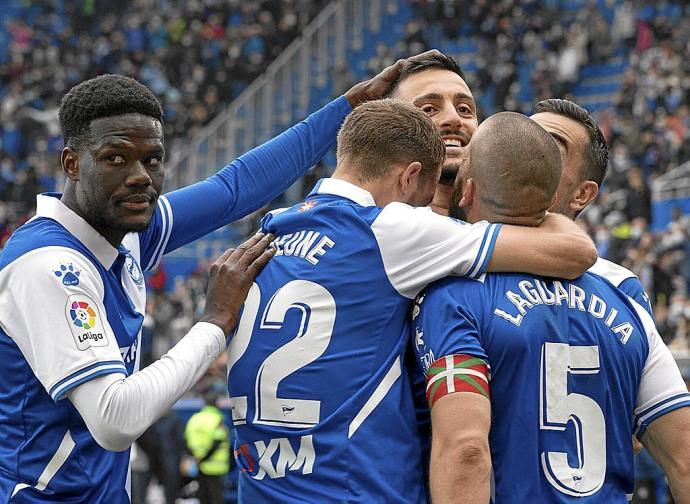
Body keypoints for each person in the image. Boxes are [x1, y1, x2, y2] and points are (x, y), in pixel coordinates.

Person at [0, 58, 415, 502]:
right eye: (115, 158)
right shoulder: (48, 266)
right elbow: (114, 419)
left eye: (152, 159)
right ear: (72, 163)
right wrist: (215, 323)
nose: (140, 175)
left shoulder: (121, 233)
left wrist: (344, 109)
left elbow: (234, 189)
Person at [227, 98, 596, 502]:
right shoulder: (390, 228)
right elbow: (573, 252)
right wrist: (553, 206)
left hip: (263, 487)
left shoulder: (274, 230)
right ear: (409, 178)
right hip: (352, 490)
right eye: (423, 199)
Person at [414, 112, 690, 502]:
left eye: (552, 145)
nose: (531, 144)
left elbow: (466, 450)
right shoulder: (619, 300)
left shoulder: (453, 292)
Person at [530, 98, 653, 317]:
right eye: (517, 141)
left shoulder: (621, 291)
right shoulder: (457, 254)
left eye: (550, 149)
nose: (519, 156)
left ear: (582, 194)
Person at [388, 51, 477, 216]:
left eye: (464, 109)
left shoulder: (522, 220)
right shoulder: (368, 232)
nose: (453, 118)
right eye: (428, 109)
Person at [184, 381, 231, 504]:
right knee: (216, 499)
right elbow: (217, 441)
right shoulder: (217, 419)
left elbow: (187, 441)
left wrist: (197, 459)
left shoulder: (194, 419)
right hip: (215, 467)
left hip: (198, 467)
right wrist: (204, 458)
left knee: (203, 497)